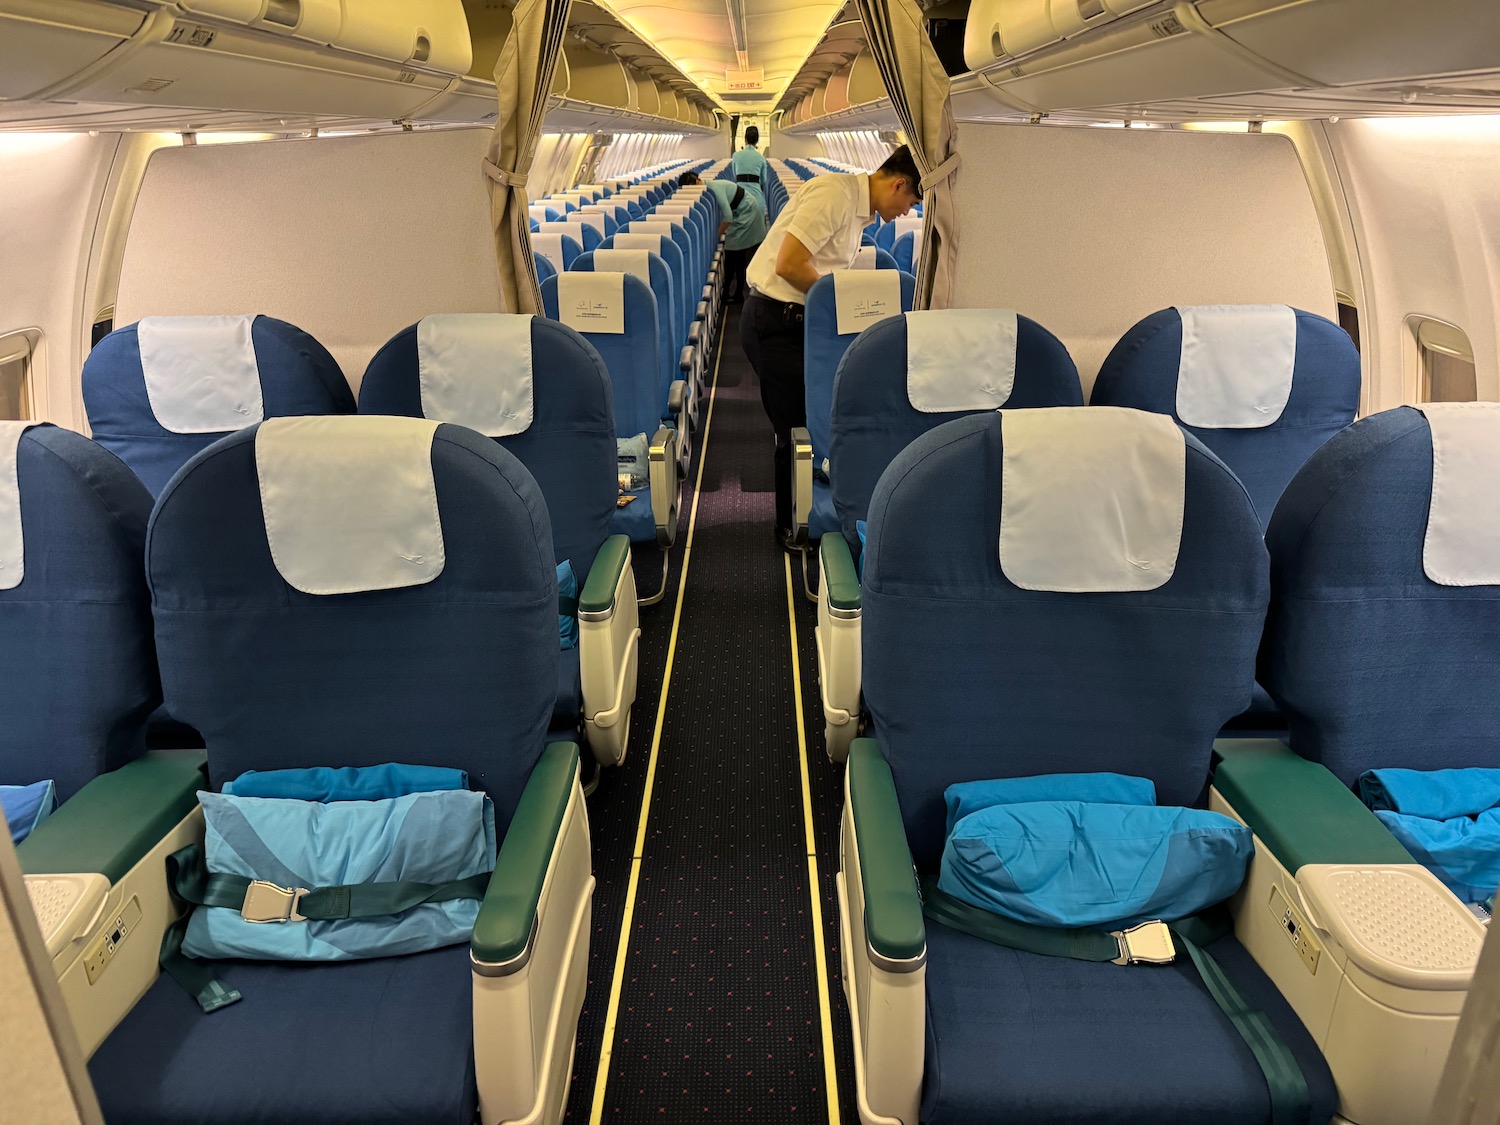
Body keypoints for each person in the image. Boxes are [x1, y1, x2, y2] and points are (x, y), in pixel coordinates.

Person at [738, 145, 922, 548]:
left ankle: (809, 511)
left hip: (799, 322)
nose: (908, 213)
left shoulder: (858, 213)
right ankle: (791, 525)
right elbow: (788, 263)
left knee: (813, 418)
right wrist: (841, 304)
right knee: (796, 426)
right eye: (911, 202)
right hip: (773, 320)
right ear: (899, 183)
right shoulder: (835, 196)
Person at [679, 171, 767, 304]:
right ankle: (729, 294)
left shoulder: (714, 190)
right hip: (739, 212)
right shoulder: (706, 190)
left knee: (733, 253)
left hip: (747, 212)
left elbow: (727, 216)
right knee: (735, 255)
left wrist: (717, 234)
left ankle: (735, 294)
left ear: (698, 182)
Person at [730, 126, 767, 215]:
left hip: (739, 198)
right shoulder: (761, 158)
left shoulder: (736, 156)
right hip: (756, 199)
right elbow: (763, 180)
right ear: (757, 140)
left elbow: (735, 176)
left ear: (745, 139)